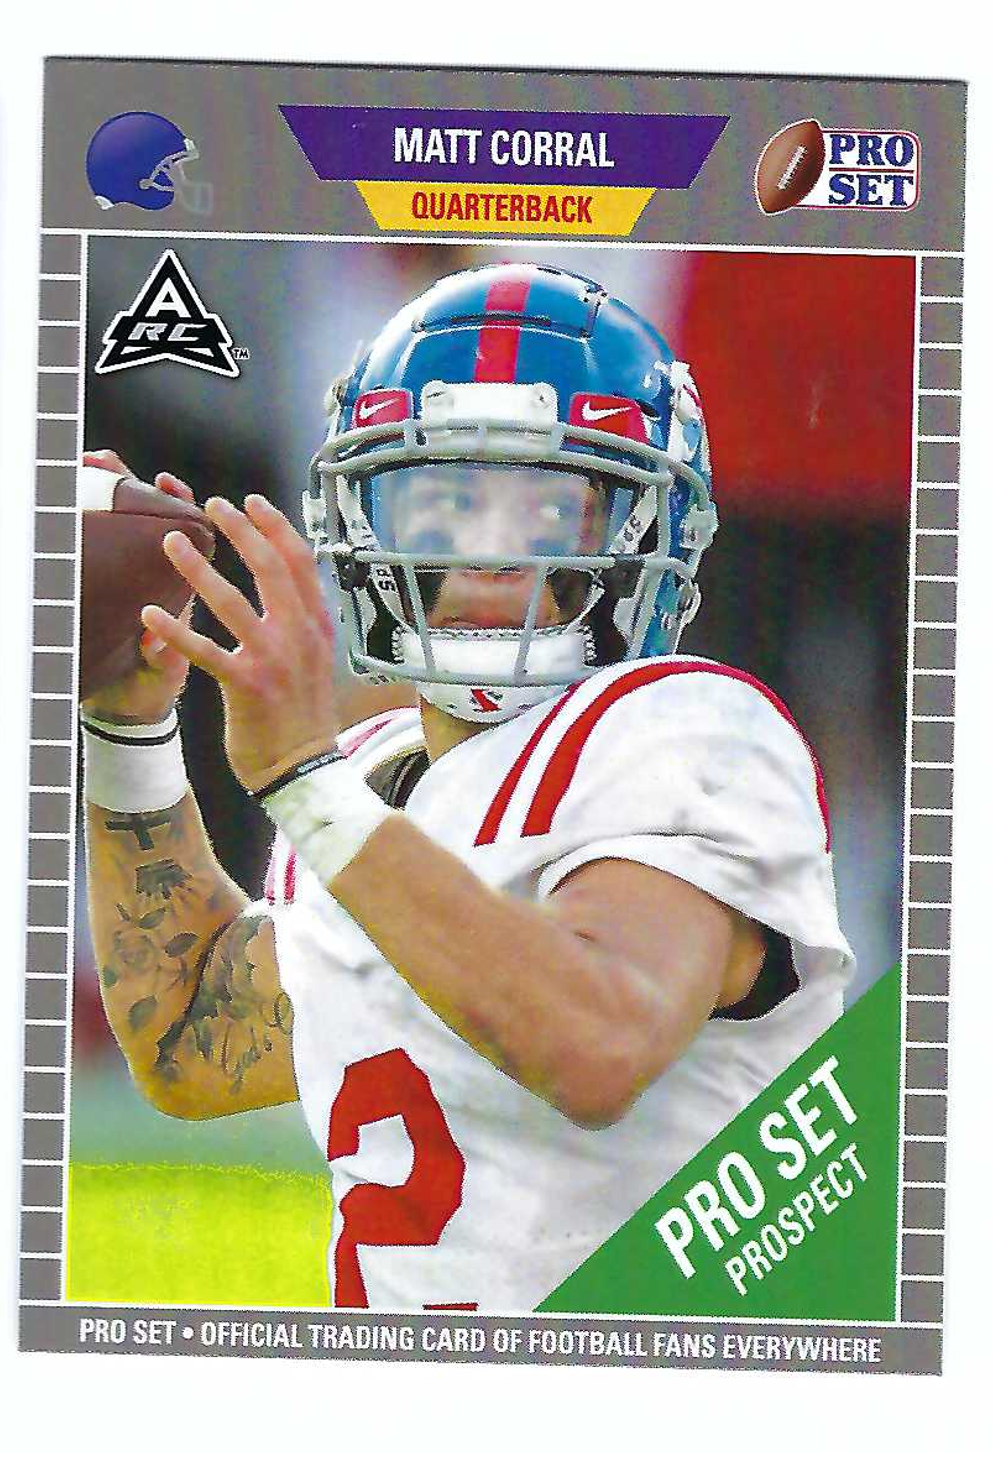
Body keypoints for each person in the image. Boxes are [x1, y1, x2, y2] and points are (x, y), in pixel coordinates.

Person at [81, 262, 853, 1312]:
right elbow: (189, 1046)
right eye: (445, 501)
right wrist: (129, 725)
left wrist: (303, 779)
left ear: (644, 526)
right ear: (364, 519)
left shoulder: (691, 729)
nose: (490, 553)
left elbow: (598, 1046)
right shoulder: (369, 779)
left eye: (547, 505)